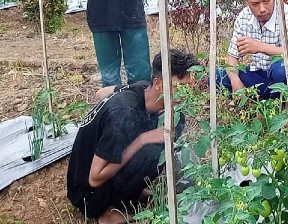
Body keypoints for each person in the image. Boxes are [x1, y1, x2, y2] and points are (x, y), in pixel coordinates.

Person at [67, 49, 199, 223]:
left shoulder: (143, 88)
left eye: (190, 86)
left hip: (101, 166)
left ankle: (132, 190)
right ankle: (106, 211)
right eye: (180, 87)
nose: (186, 93)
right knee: (154, 147)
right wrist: (141, 140)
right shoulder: (123, 114)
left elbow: (101, 93)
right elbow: (94, 178)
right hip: (87, 194)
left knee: (173, 124)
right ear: (158, 84)